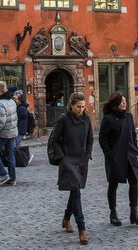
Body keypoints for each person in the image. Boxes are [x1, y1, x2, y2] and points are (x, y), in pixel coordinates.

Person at [48, 92, 93, 246]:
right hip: (68, 160)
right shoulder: (64, 120)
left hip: (81, 160)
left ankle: (66, 219)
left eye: (82, 107)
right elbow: (54, 140)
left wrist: (87, 155)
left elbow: (90, 139)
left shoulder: (86, 119)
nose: (81, 110)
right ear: (71, 106)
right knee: (76, 192)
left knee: (75, 191)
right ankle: (82, 229)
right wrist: (62, 158)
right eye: (78, 107)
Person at [98, 92, 138, 228]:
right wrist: (109, 154)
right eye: (121, 101)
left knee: (134, 182)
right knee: (113, 185)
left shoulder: (129, 117)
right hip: (116, 157)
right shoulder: (108, 119)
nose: (124, 103)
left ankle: (134, 213)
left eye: (125, 101)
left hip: (130, 155)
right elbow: (102, 139)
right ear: (115, 104)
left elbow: (133, 135)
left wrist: (135, 149)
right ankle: (113, 214)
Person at [0, 80, 18, 186]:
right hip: (12, 131)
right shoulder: (11, 101)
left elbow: (0, 121)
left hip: (3, 132)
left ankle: (3, 174)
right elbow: (15, 117)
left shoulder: (0, 103)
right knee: (10, 156)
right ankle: (13, 178)